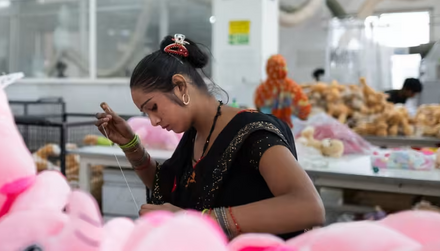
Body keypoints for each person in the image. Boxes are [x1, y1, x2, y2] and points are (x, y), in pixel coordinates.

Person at [96, 34, 324, 239]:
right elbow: (166, 187)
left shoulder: (253, 132)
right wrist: (130, 143)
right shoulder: (195, 135)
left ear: (180, 86)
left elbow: (308, 206)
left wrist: (196, 220)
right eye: (146, 113)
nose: (153, 120)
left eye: (153, 107)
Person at [254, 55, 311, 127]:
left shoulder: (262, 89)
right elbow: (305, 109)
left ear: (268, 68)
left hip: (268, 128)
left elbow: (258, 110)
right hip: (290, 129)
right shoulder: (293, 87)